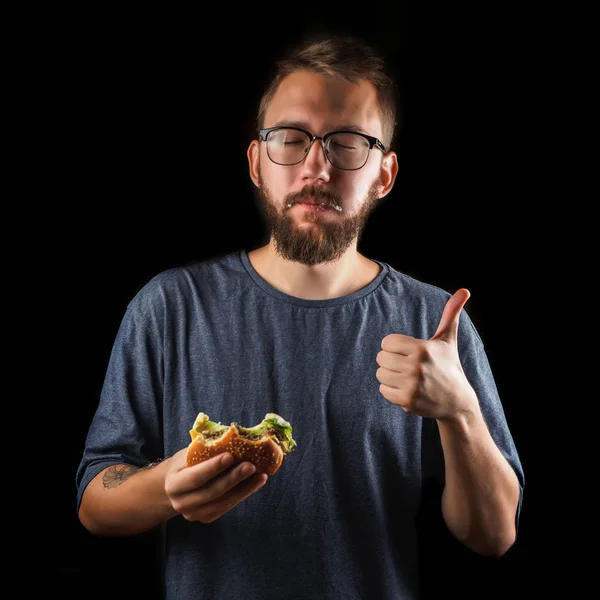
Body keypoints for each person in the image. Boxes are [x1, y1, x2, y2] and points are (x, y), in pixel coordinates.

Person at [75, 31, 524, 600]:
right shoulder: (169, 308)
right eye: (290, 138)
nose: (317, 167)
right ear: (257, 162)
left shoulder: (435, 321)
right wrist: (168, 487)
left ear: (383, 174)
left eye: (347, 143)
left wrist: (460, 411)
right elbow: (95, 501)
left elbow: (494, 535)